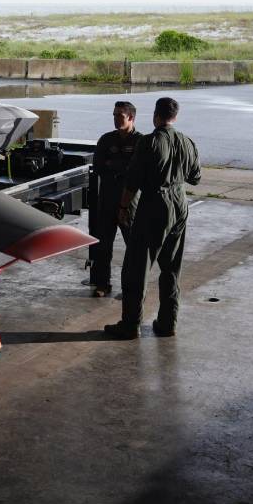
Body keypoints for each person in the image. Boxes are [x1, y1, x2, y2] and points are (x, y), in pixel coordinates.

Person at [104, 97, 200, 340]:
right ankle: (168, 323)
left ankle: (130, 325)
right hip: (180, 203)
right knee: (171, 267)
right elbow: (195, 177)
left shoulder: (149, 142)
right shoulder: (187, 142)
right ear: (175, 117)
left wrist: (123, 207)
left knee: (136, 267)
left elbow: (133, 180)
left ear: (156, 116)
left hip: (155, 204)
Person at [88, 101, 144, 297]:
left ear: (131, 117)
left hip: (130, 203)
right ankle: (102, 284)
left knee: (134, 248)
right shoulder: (106, 140)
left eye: (120, 115)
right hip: (107, 200)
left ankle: (134, 287)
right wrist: (123, 166)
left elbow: (138, 171)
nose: (115, 118)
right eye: (114, 114)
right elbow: (99, 167)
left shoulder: (141, 142)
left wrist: (114, 164)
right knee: (103, 245)